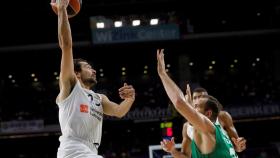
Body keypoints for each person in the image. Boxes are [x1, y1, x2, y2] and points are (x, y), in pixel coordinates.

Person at [52, 0, 136, 157]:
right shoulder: (70, 87)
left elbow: (118, 112)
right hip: (73, 149)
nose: (94, 70)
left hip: (90, 150)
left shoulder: (99, 98)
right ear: (76, 73)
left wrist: (130, 99)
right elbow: (66, 45)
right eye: (88, 67)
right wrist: (62, 10)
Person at [157, 49, 238, 157]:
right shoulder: (216, 132)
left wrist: (163, 75)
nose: (192, 108)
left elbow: (179, 102)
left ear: (208, 114)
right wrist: (173, 151)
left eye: (196, 106)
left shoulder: (208, 127)